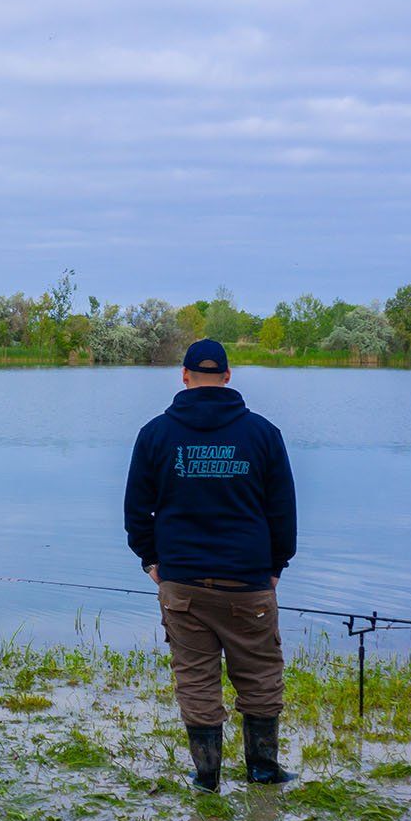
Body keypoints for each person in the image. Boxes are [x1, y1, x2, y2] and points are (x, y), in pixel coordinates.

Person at [124, 338, 296, 792]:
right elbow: (282, 511)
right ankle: (262, 771)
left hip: (182, 582)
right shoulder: (263, 434)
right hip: (249, 582)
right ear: (227, 376)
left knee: (195, 678)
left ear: (184, 377)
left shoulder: (156, 434)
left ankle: (207, 777)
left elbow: (136, 511)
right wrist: (276, 565)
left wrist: (151, 560)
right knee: (259, 675)